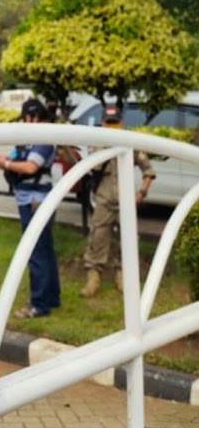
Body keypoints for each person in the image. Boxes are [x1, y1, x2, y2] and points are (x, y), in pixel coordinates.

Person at [0, 97, 61, 319]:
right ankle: (51, 298)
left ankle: (38, 304)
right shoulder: (30, 139)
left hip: (35, 200)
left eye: (26, 118)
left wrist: (7, 164)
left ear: (33, 117)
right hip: (29, 199)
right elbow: (17, 158)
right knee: (45, 250)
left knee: (36, 252)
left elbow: (31, 167)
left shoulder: (44, 138)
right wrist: (7, 161)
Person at [81, 105, 155, 297]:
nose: (111, 126)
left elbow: (148, 170)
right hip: (104, 199)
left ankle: (122, 274)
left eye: (115, 123)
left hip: (125, 201)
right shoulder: (96, 143)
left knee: (129, 239)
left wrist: (141, 193)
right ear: (103, 123)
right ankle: (93, 276)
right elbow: (94, 169)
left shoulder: (131, 143)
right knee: (97, 237)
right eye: (108, 123)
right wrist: (102, 147)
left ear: (121, 123)